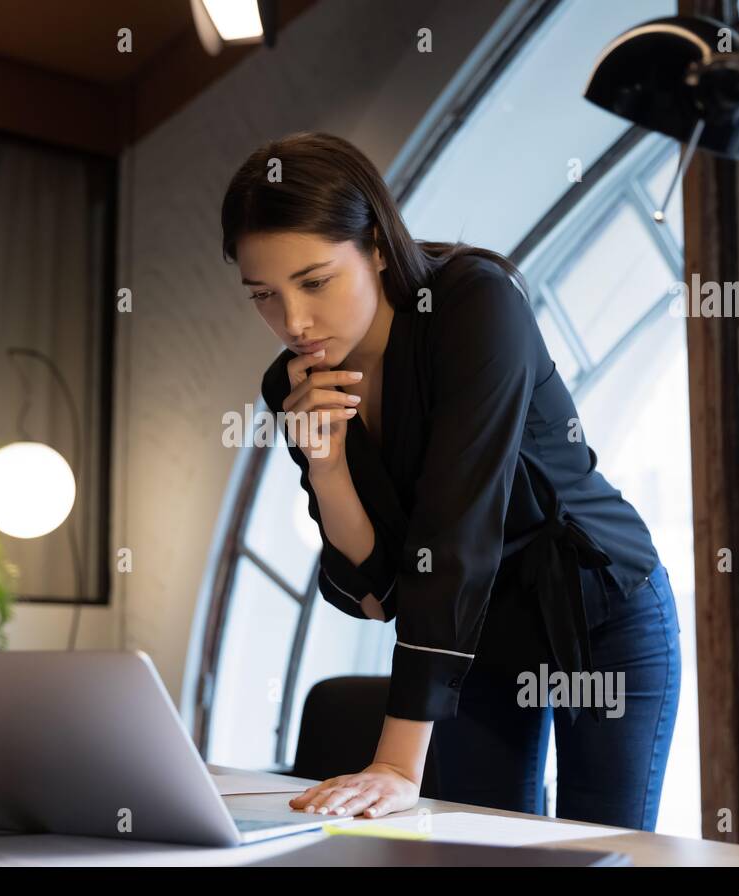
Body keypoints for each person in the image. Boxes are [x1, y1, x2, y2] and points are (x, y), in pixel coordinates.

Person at [220, 131, 681, 830]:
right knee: (484, 852)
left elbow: (456, 531)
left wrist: (399, 763)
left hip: (600, 609)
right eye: (264, 295)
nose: (294, 323)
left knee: (603, 853)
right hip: (474, 636)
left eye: (315, 282)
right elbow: (375, 595)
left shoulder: (473, 304)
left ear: (376, 244)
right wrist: (328, 465)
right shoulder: (292, 386)